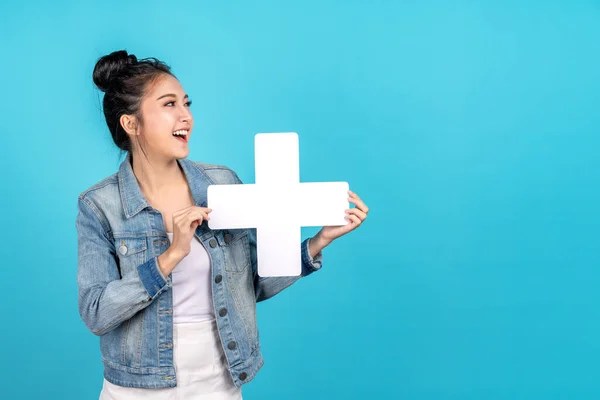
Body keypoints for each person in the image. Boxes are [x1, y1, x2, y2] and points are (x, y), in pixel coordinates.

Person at [76, 49, 370, 400]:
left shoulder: (222, 184)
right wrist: (171, 256)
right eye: (169, 105)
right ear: (131, 123)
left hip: (220, 381)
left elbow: (253, 282)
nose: (186, 117)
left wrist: (318, 242)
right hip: (138, 387)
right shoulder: (99, 205)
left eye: (187, 104)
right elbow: (96, 312)